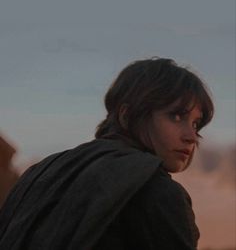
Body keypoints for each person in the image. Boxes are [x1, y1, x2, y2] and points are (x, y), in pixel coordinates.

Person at [0, 57, 214, 250]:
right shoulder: (155, 190)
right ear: (127, 115)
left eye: (195, 123)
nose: (192, 137)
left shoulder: (39, 174)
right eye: (176, 116)